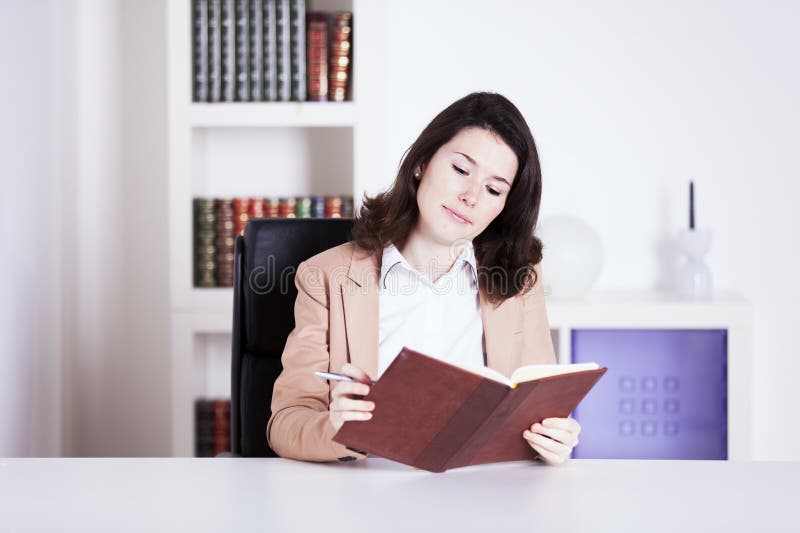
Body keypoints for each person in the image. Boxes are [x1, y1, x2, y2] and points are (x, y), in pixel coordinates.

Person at [267, 92, 581, 466]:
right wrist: (338, 428)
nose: (470, 196)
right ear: (421, 163)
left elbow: (539, 407)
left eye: (494, 189)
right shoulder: (326, 277)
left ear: (503, 207)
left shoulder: (518, 279)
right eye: (461, 170)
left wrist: (555, 438)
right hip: (370, 498)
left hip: (483, 498)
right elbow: (286, 424)